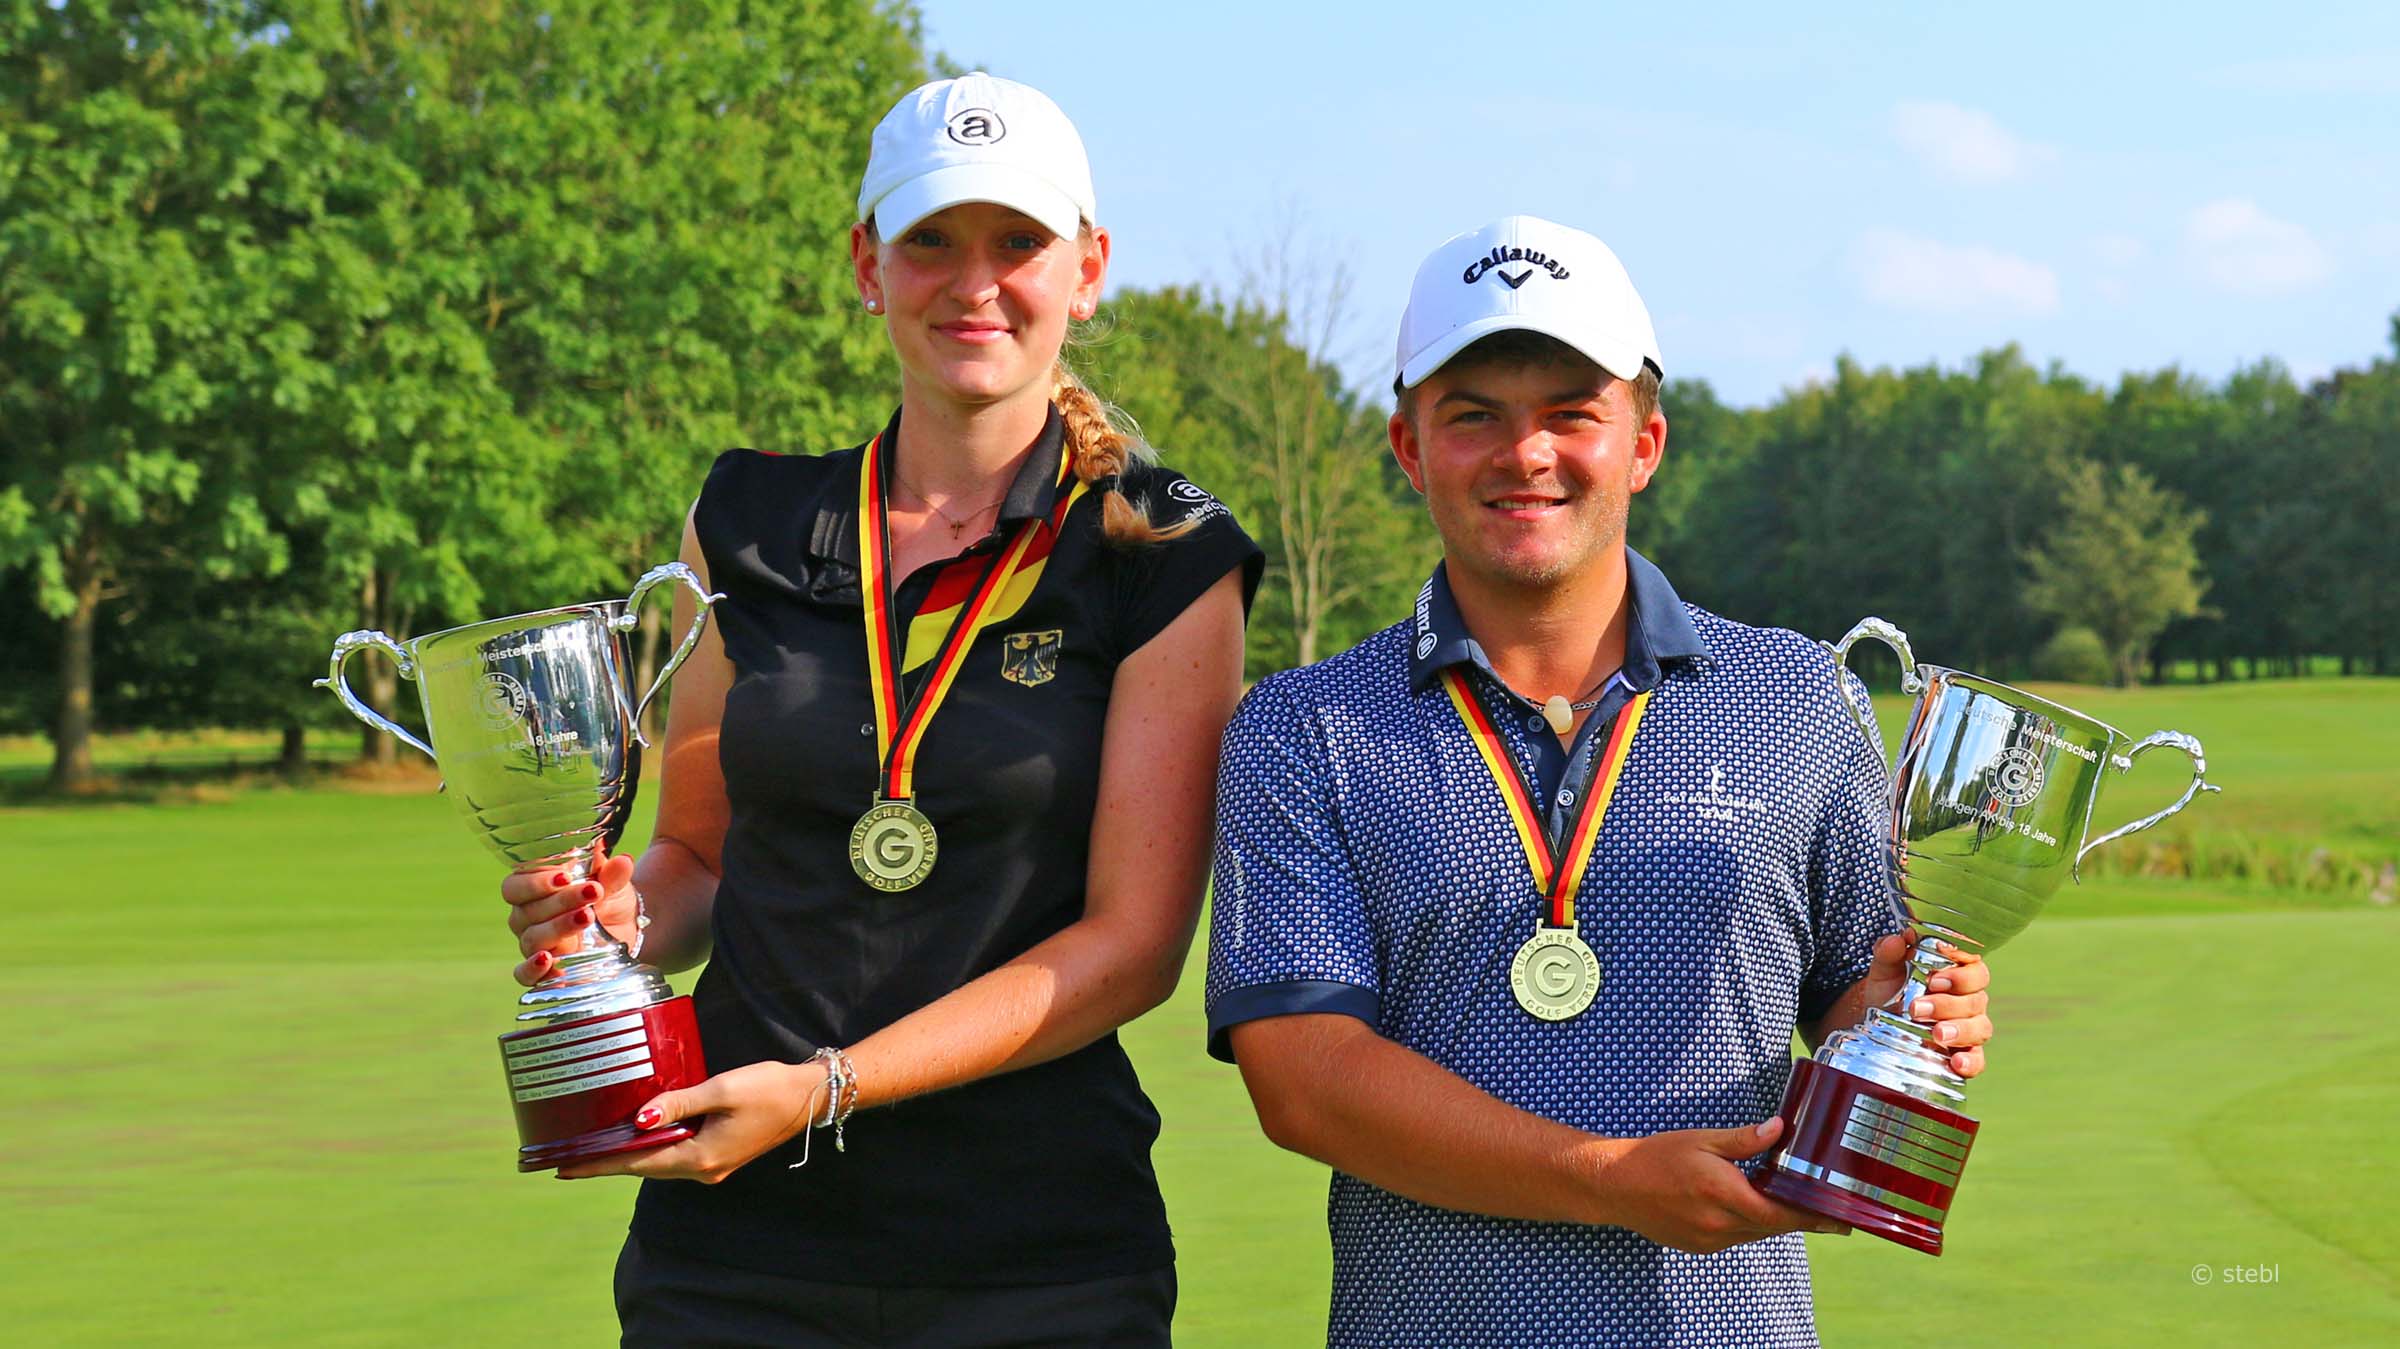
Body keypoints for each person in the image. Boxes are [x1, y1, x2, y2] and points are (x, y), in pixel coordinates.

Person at [502, 72, 1262, 1346]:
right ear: (868, 263)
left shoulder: (1167, 549)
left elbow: (1132, 947)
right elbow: (698, 858)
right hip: (731, 1250)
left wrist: (826, 1089)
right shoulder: (743, 520)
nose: (976, 283)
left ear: (1088, 268)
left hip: (1036, 1258)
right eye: (931, 242)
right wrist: (612, 923)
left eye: (1019, 242)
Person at [1203, 215, 1993, 1346]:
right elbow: (1306, 1078)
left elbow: (1853, 996)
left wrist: (1921, 1009)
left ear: (1646, 442)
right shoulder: (1303, 726)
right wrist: (1611, 1176)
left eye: (1573, 413)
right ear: (1409, 447)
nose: (1526, 454)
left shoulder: (1798, 694)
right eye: (1474, 415)